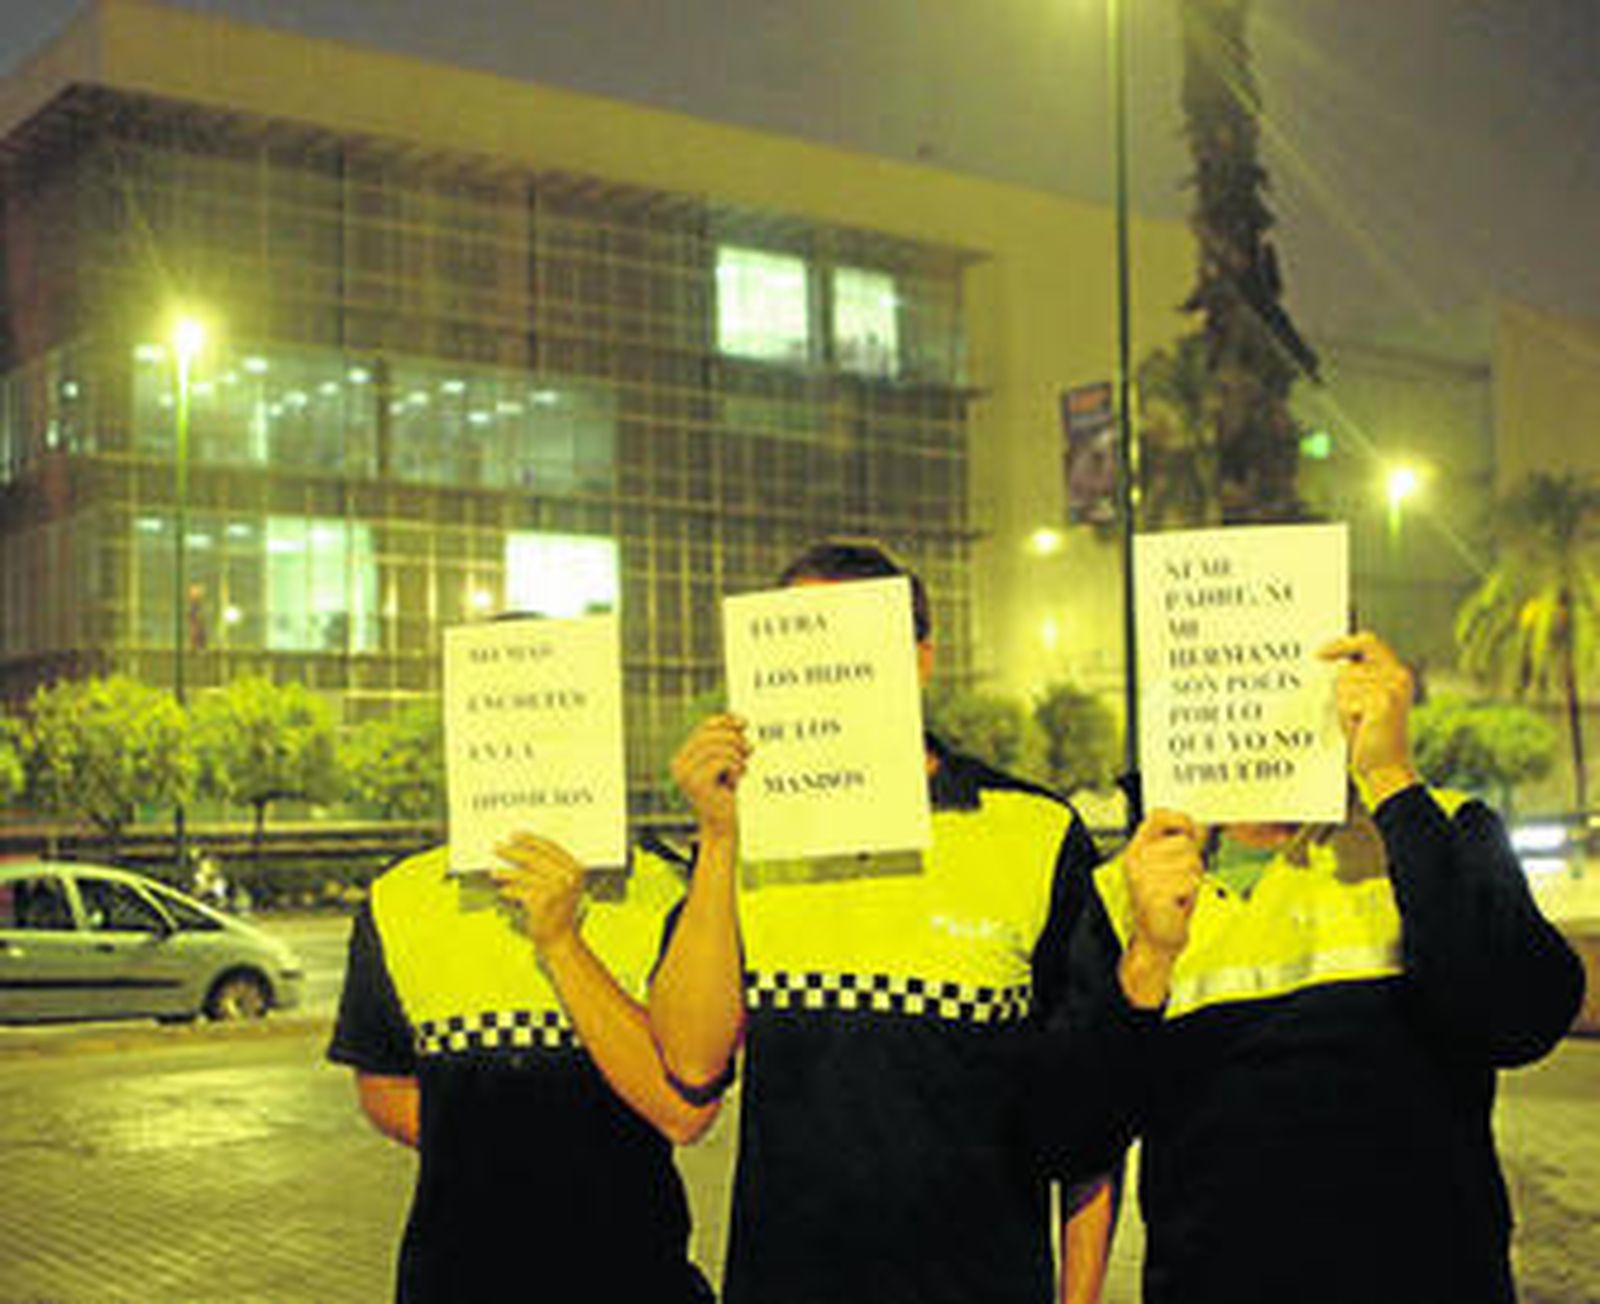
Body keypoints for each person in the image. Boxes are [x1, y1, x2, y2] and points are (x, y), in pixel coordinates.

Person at [648, 538, 1117, 1304]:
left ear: (921, 657)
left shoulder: (1031, 831)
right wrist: (719, 839)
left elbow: (1091, 1104)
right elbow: (691, 1060)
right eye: (803, 644)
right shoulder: (744, 843)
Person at [1067, 631, 1586, 1304]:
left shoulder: (1442, 827)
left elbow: (1521, 1018)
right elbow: (1073, 1131)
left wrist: (1391, 780)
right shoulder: (1129, 887)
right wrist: (1149, 958)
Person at [327, 825, 717, 1303]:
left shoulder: (672, 891)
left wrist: (561, 942)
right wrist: (505, 1155)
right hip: (453, 1278)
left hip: (633, 1274)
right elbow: (383, 1086)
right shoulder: (400, 895)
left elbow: (686, 1109)